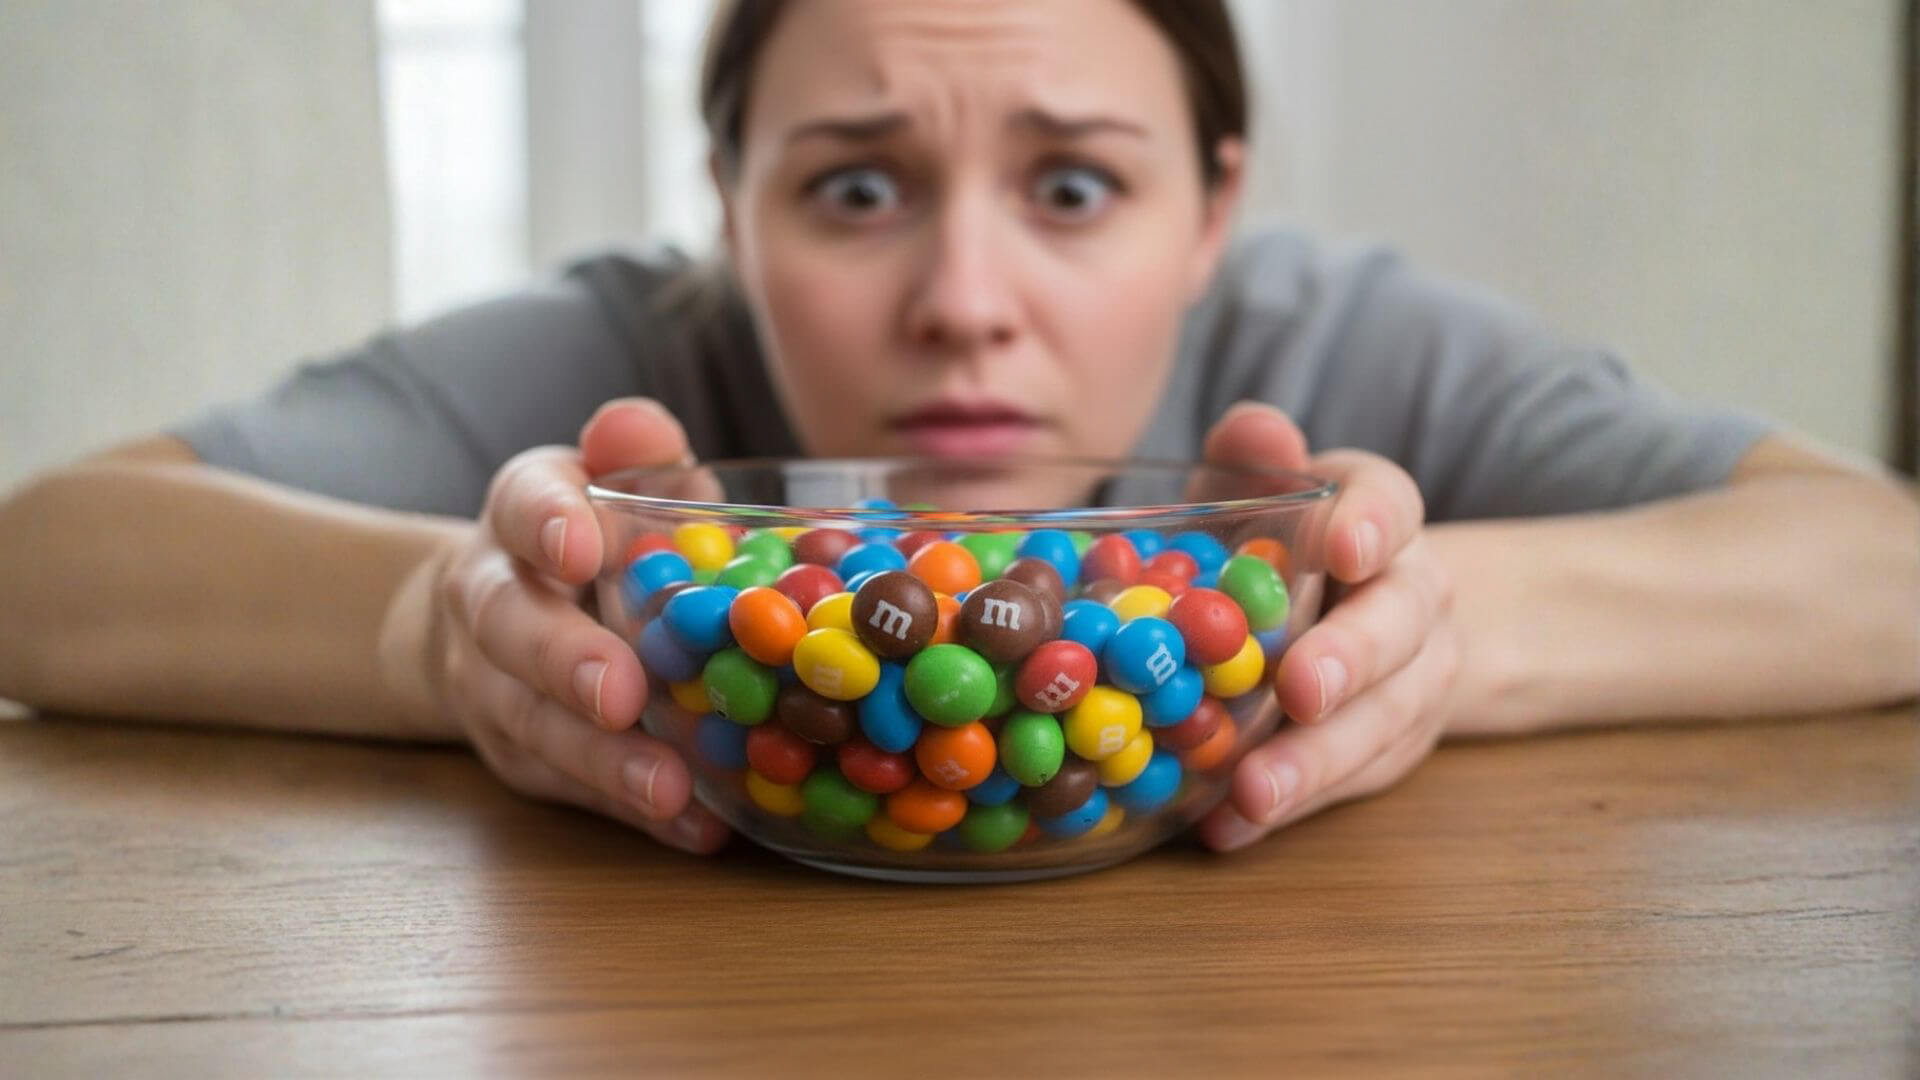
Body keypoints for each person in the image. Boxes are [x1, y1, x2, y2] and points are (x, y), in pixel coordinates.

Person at [2, 0, 1913, 858]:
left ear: (1214, 207)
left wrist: (1426, 632)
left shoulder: (1332, 340)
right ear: (731, 197)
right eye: (851, 191)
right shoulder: (621, 365)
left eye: (1076, 188)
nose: (966, 298)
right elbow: (46, 565)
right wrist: (444, 632)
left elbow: (1883, 565)